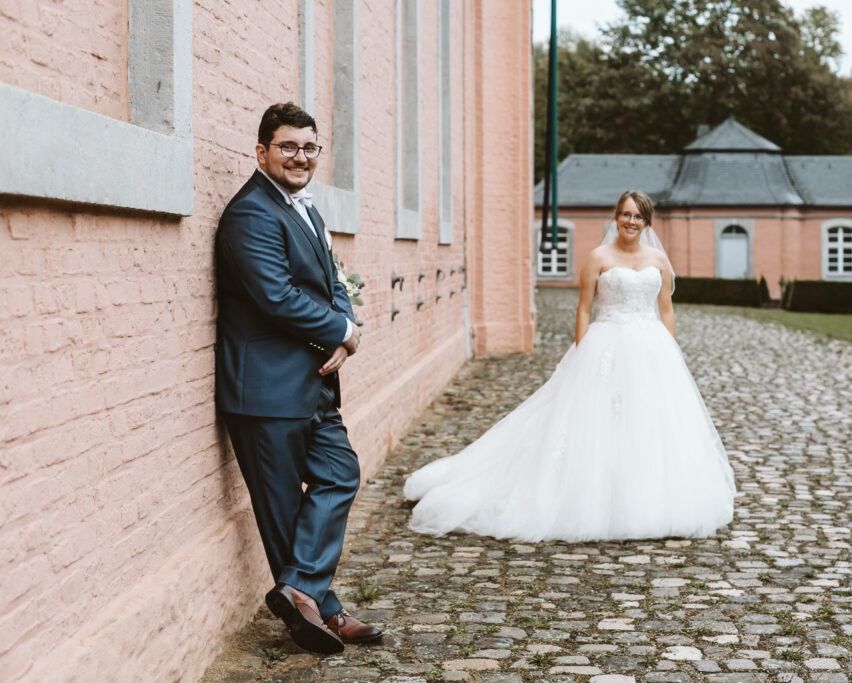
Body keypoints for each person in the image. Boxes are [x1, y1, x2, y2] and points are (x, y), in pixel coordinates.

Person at [404, 190, 735, 542]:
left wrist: (670, 353)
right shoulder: (598, 257)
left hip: (652, 350)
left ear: (647, 222)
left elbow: (666, 310)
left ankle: (648, 498)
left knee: (648, 422)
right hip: (605, 345)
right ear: (615, 217)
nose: (631, 222)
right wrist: (583, 354)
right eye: (625, 214)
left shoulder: (658, 260)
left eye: (638, 216)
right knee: (596, 422)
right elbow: (583, 309)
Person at [215, 102, 382, 654]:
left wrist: (343, 323)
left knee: (340, 474)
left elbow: (332, 279)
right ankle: (323, 613)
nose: (300, 157)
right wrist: (340, 329)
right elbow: (275, 296)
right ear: (262, 151)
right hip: (264, 389)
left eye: (309, 147)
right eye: (288, 146)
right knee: (283, 508)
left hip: (311, 382)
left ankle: (300, 592)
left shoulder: (305, 209)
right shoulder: (250, 214)